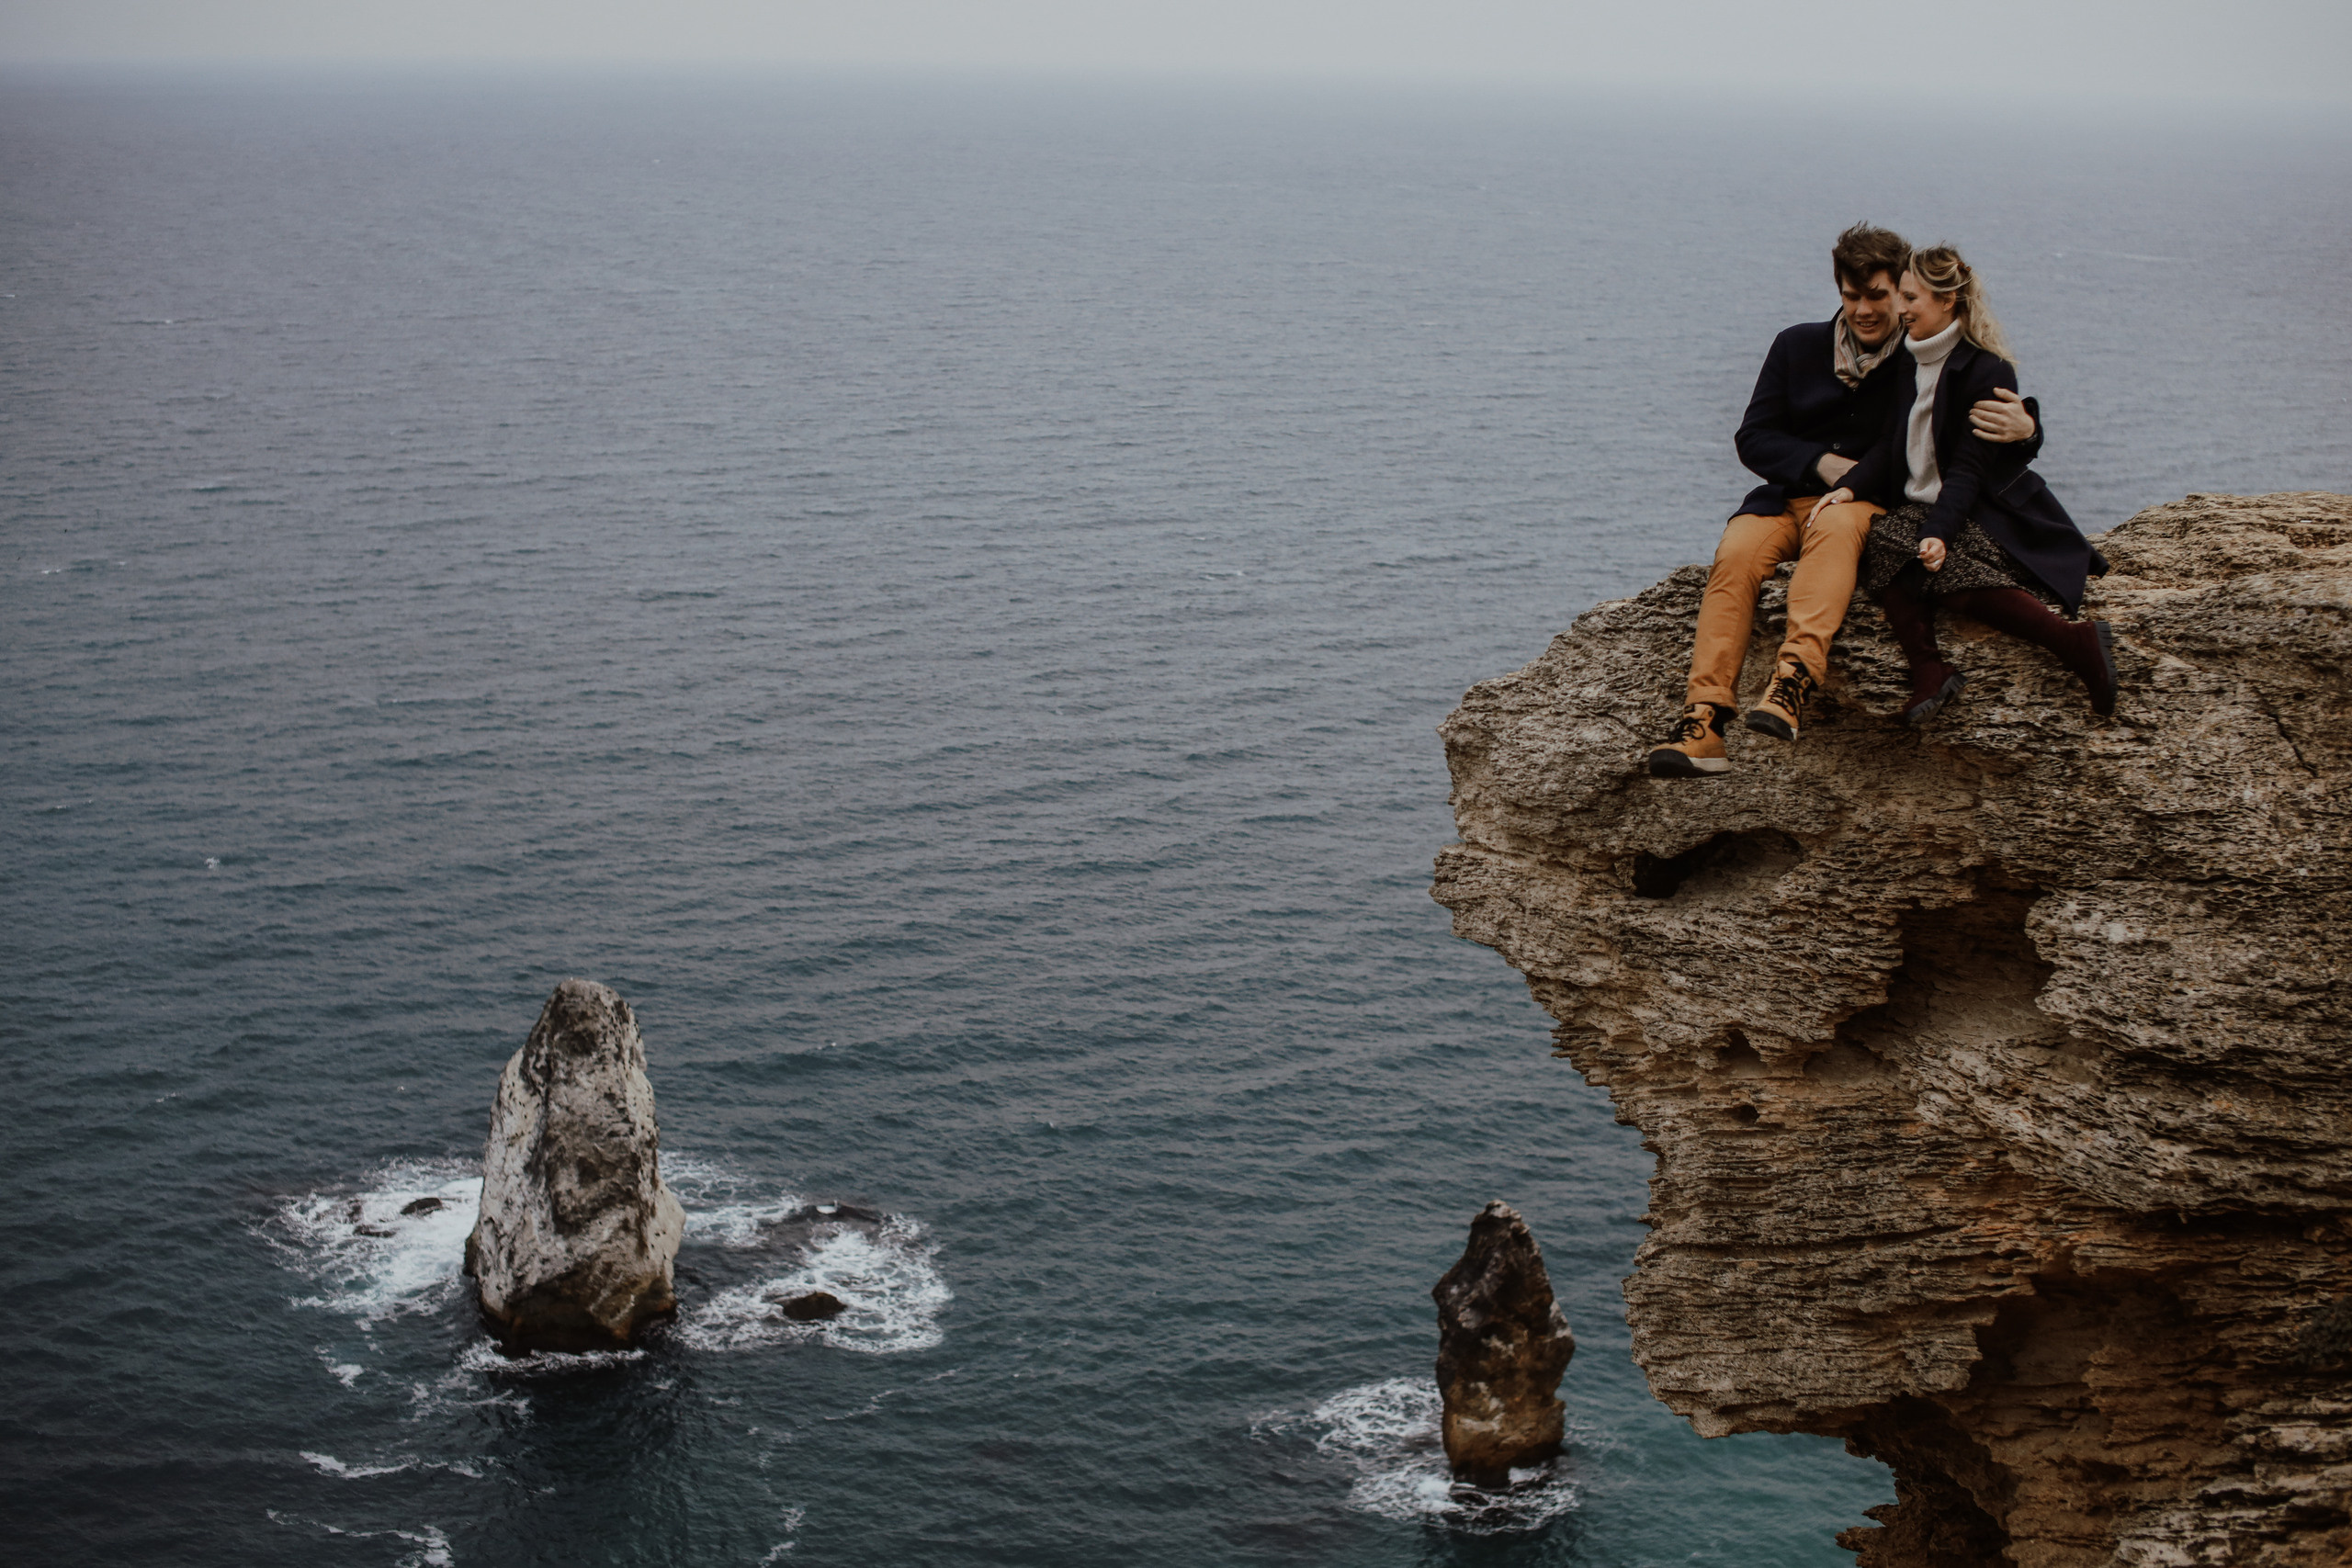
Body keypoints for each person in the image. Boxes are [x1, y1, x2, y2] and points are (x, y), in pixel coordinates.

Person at [1646, 223, 2040, 777]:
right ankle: (1704, 721)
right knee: (1734, 555)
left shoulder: (1920, 357)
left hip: (1864, 504)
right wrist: (1822, 466)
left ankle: (1792, 685)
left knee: (1833, 537)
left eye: (1878, 295)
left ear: (1901, 290)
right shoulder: (1796, 344)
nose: (1865, 310)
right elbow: (1753, 437)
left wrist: (2027, 427)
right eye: (1851, 296)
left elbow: (1974, 430)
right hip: (1782, 498)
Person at [1815, 245, 2116, 723]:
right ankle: (1931, 670)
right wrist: (1850, 487)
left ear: (1948, 300)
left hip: (1985, 511)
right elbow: (1893, 442)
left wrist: (1938, 532)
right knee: (1885, 540)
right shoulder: (1910, 361)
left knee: (1917, 555)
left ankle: (2068, 641)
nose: (1901, 308)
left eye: (1912, 298)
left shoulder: (1986, 369)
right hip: (1928, 507)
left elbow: (1969, 472)